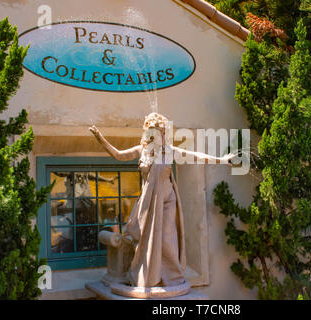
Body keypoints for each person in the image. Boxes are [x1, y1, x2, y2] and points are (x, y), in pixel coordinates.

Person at [89, 112, 234, 288]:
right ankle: (148, 276)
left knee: (167, 240)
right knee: (146, 240)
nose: (160, 135)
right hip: (149, 203)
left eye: (163, 131)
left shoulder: (170, 151)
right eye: (156, 131)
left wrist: (222, 159)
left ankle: (171, 277)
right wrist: (101, 139)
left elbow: (197, 156)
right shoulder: (142, 150)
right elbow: (119, 155)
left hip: (168, 201)